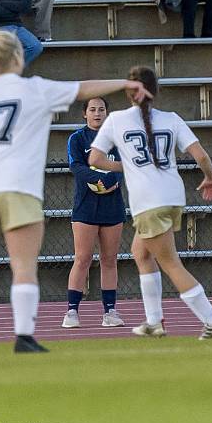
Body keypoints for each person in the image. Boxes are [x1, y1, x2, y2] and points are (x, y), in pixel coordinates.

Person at [0, 30, 152, 353]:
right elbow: (83, 89)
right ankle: (23, 337)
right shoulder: (35, 89)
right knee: (22, 266)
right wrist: (124, 83)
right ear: (19, 58)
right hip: (19, 188)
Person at [89, 66, 212, 340]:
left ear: (129, 91)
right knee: (140, 253)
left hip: (147, 200)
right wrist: (210, 178)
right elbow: (201, 156)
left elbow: (95, 159)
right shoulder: (171, 118)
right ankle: (154, 321)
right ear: (155, 91)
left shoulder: (117, 119)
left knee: (170, 263)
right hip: (173, 197)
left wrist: (125, 166)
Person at [61, 97, 127, 330]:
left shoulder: (116, 138)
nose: (97, 113)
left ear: (107, 113)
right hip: (85, 207)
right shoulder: (77, 138)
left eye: (101, 109)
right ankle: (72, 311)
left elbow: (124, 164)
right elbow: (76, 166)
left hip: (112, 206)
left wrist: (113, 181)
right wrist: (96, 179)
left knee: (109, 259)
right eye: (92, 109)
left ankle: (109, 311)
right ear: (84, 114)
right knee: (82, 258)